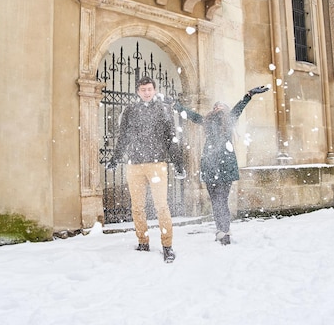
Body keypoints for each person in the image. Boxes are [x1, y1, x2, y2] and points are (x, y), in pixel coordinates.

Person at [173, 85, 269, 245]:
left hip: (225, 167)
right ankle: (221, 229)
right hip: (210, 166)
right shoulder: (206, 121)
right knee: (215, 200)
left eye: (221, 106)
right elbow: (192, 116)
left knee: (221, 200)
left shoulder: (230, 119)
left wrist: (249, 95)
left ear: (226, 110)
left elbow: (239, 108)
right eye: (215, 106)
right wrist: (176, 106)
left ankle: (224, 232)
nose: (217, 107)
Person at [106, 76, 184, 263]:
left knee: (161, 206)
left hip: (157, 164)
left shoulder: (163, 109)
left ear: (154, 90)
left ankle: (167, 245)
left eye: (149, 89)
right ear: (138, 92)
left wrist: (179, 164)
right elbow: (123, 137)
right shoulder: (130, 111)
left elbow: (171, 138)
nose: (147, 92)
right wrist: (116, 158)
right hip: (134, 164)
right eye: (143, 90)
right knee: (137, 207)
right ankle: (143, 241)